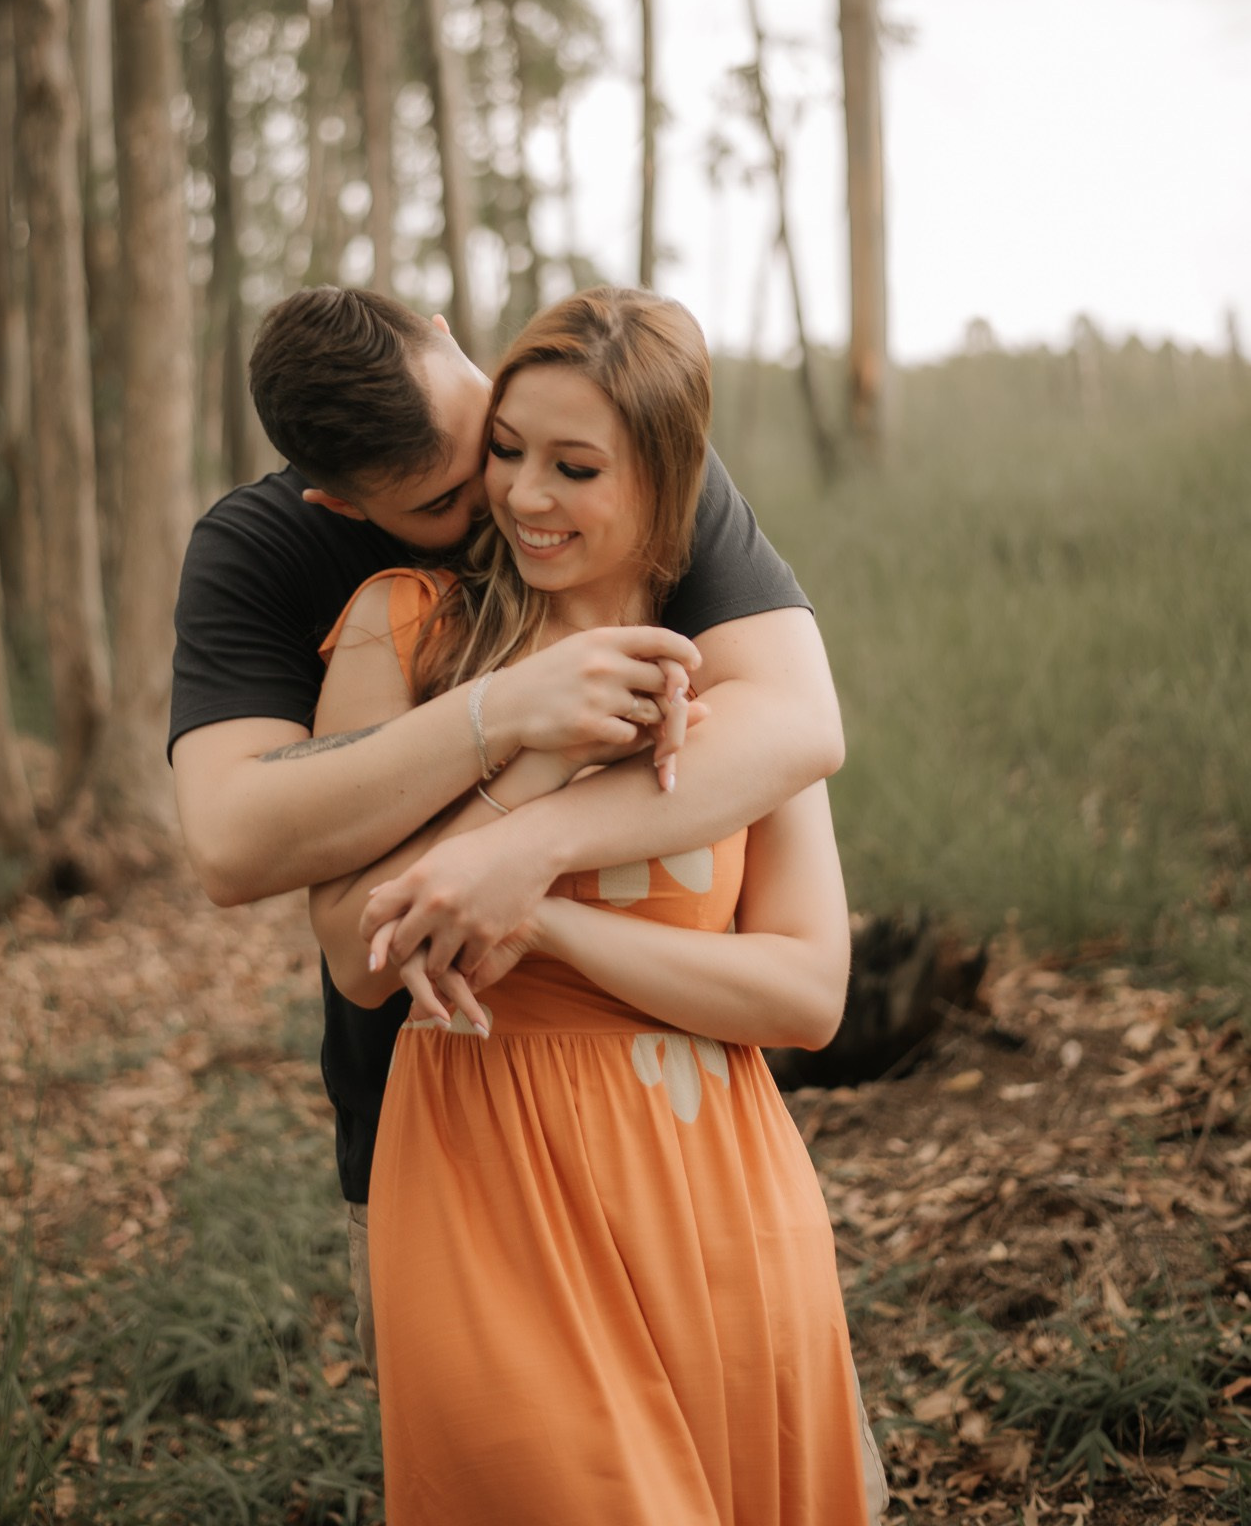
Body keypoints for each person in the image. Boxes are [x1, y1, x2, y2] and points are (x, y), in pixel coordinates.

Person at [169, 285, 887, 1514]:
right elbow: (260, 866)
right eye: (482, 471)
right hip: (465, 1149)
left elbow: (803, 838)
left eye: (538, 452)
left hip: (712, 1171)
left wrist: (533, 876)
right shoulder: (350, 594)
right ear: (348, 508)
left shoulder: (694, 604)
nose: (511, 497)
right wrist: (515, 731)